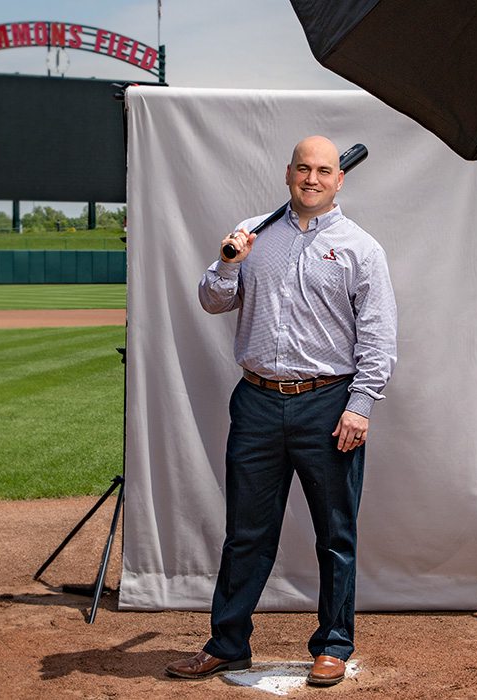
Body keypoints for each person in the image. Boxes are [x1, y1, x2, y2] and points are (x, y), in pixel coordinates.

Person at [166, 136, 397, 686]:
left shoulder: (361, 248)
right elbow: (212, 300)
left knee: (335, 534)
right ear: (288, 173)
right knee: (246, 532)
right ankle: (227, 644)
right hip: (257, 402)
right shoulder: (253, 234)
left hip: (328, 404)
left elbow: (379, 337)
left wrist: (360, 405)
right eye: (303, 168)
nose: (312, 179)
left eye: (324, 170)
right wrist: (227, 265)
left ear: (340, 179)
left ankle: (333, 644)